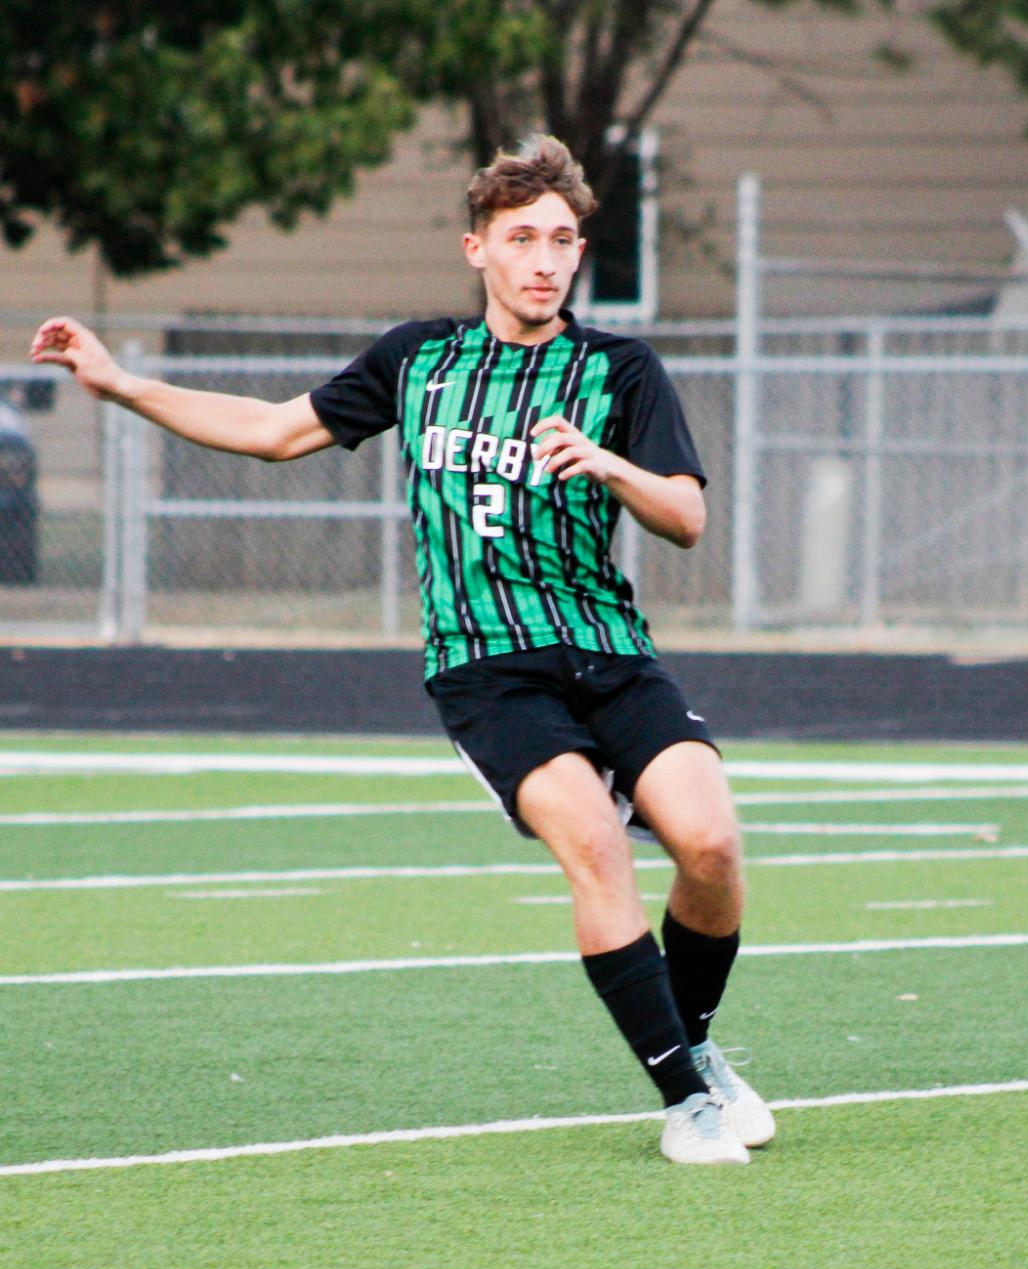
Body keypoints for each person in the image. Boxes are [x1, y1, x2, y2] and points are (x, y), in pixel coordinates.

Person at [30, 135, 772, 1165]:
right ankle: (686, 1104)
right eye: (522, 239)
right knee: (596, 849)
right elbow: (270, 429)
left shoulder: (618, 369)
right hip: (486, 668)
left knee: (713, 846)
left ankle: (690, 1046)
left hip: (609, 648)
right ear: (478, 249)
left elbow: (685, 517)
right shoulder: (418, 359)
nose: (545, 260)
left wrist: (606, 464)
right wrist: (121, 385)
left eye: (561, 239)